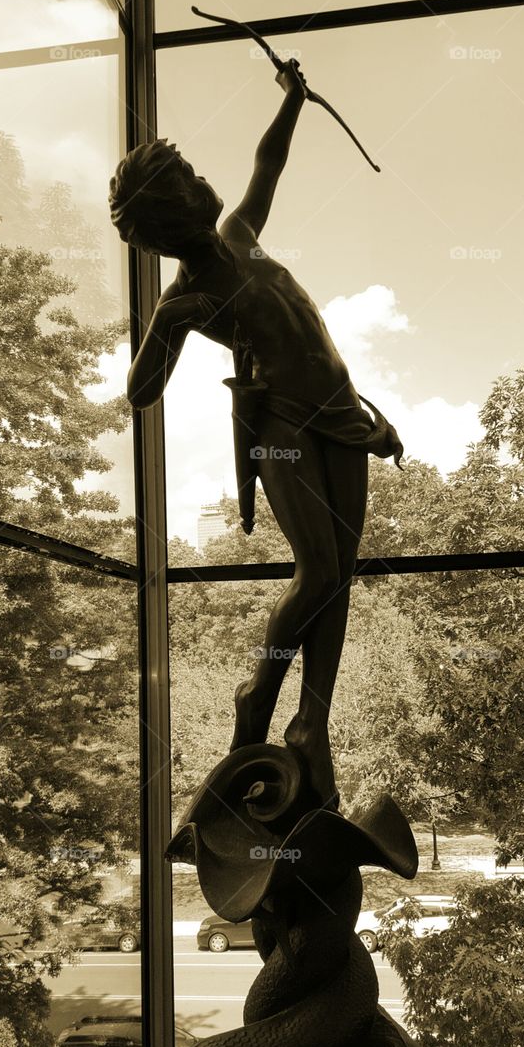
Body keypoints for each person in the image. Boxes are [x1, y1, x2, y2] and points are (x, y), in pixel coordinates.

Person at [109, 60, 402, 809]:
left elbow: (267, 163)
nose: (204, 180)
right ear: (172, 211)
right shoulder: (185, 295)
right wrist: (168, 325)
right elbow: (139, 393)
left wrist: (293, 101)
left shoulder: (240, 232)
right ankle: (258, 694)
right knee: (319, 571)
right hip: (282, 426)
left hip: (342, 411)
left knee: (340, 572)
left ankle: (311, 723)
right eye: (188, 178)